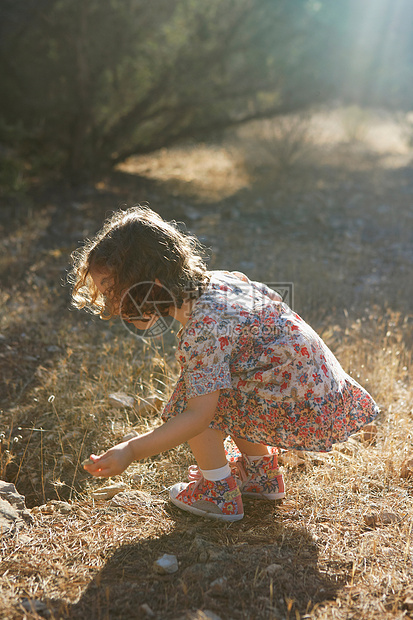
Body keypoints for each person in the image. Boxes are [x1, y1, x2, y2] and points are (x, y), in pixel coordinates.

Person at [69, 206, 379, 522]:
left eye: (114, 292)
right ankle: (261, 476)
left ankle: (218, 494)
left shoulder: (202, 330)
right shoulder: (221, 280)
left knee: (192, 405)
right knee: (228, 383)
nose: (110, 305)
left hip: (300, 394)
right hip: (313, 381)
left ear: (152, 284)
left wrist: (131, 451)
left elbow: (198, 417)